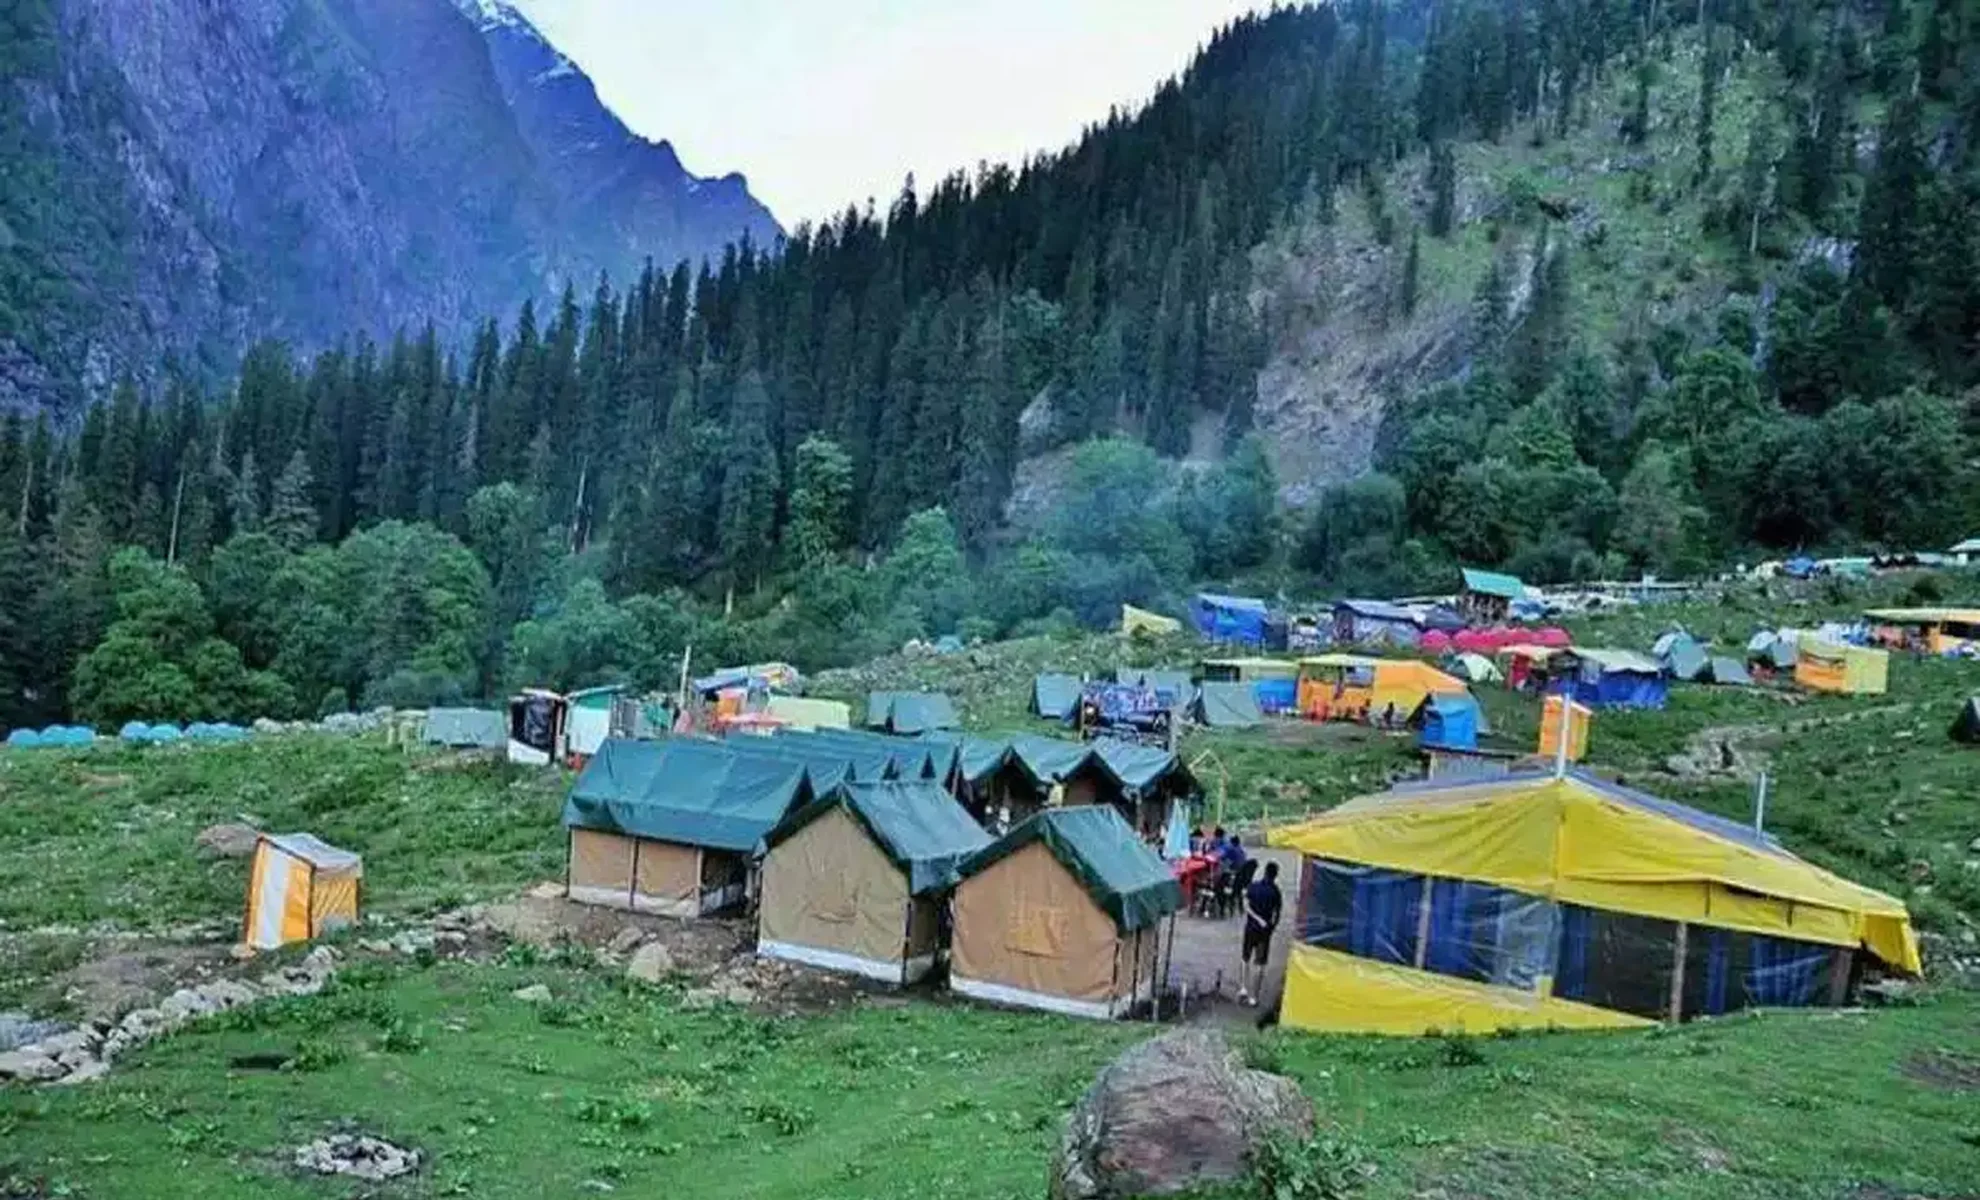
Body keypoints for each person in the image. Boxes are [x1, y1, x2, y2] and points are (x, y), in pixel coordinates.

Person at [1237, 861, 1282, 1006]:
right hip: (1264, 932)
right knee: (1260, 964)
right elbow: (1276, 915)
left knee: (1245, 958)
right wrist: (1270, 927)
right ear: (1275, 875)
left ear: (1264, 872)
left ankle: (1243, 988)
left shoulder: (1253, 886)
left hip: (1250, 928)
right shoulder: (1276, 892)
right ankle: (1254, 997)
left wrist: (1255, 918)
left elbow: (1245, 906)